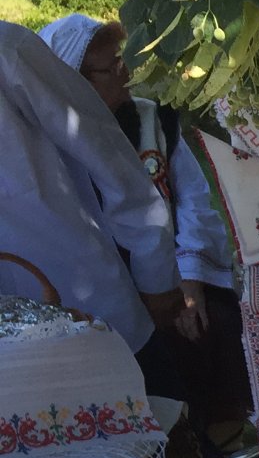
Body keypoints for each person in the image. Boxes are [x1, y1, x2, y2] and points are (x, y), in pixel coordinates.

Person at [39, 13, 249, 436]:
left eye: (121, 59)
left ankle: (220, 438)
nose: (125, 71)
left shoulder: (152, 120)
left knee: (214, 322)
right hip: (98, 289)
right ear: (74, 80)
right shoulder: (47, 142)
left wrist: (189, 280)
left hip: (170, 272)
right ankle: (164, 443)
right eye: (111, 66)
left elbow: (193, 201)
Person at [0, 21, 181, 382]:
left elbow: (104, 151)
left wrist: (155, 273)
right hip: (14, 353)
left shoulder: (8, 50)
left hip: (88, 309)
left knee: (150, 411)